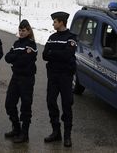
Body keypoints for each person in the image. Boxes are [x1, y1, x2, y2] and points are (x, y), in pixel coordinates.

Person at [43, 11, 77, 147]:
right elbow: (45, 55)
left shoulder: (71, 37)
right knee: (51, 102)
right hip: (53, 76)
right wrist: (57, 54)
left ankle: (67, 135)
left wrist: (53, 53)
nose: (53, 24)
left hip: (65, 76)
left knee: (66, 104)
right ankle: (55, 132)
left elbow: (68, 55)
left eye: (55, 21)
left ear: (61, 22)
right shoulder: (52, 37)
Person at [4, 19, 37, 143]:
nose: (21, 32)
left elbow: (26, 61)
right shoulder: (16, 44)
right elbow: (7, 57)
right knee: (9, 104)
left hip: (27, 79)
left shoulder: (31, 45)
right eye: (20, 30)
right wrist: (18, 57)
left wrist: (15, 58)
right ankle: (16, 128)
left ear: (28, 31)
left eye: (23, 30)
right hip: (16, 77)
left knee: (25, 106)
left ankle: (25, 133)